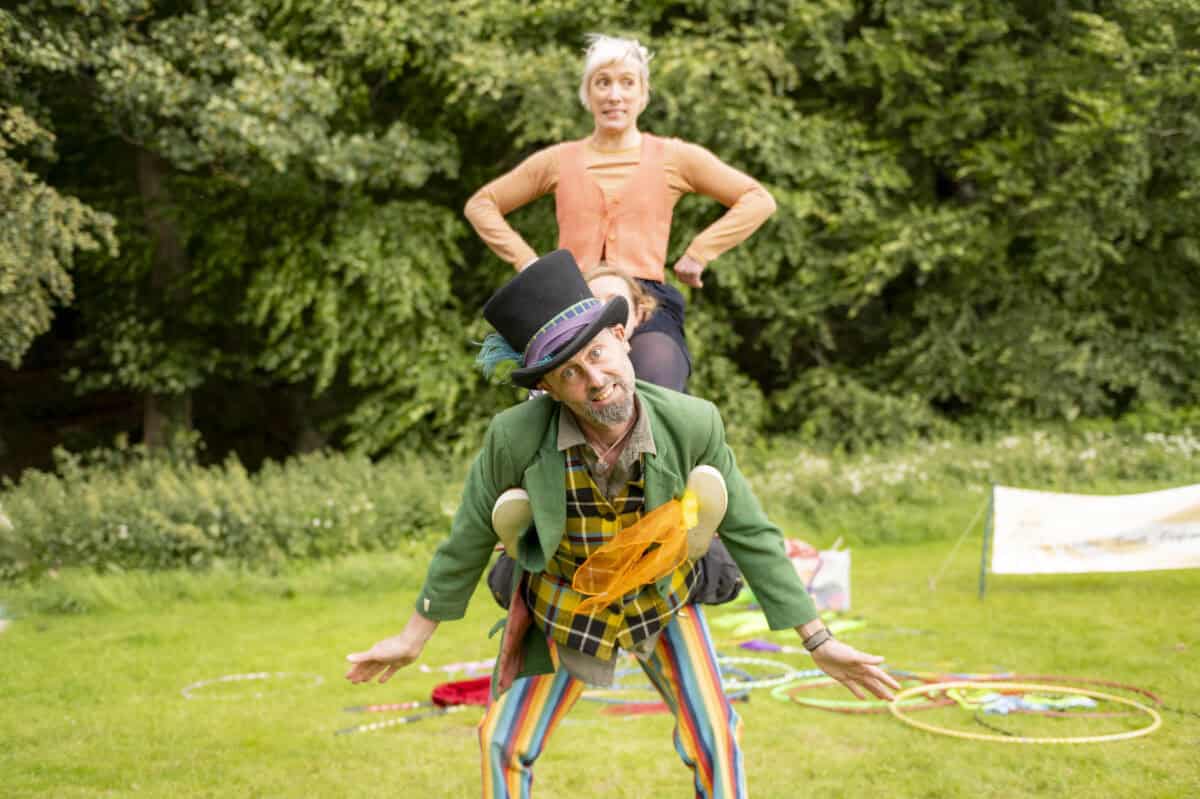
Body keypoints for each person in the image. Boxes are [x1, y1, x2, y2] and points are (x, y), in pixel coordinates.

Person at [345, 250, 898, 799]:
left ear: (621, 336)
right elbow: (466, 539)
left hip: (662, 596)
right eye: (571, 373)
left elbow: (751, 531)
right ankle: (528, 547)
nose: (596, 379)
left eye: (598, 354)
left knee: (715, 737)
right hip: (565, 606)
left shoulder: (691, 422)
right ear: (552, 389)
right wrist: (412, 639)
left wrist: (817, 639)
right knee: (501, 741)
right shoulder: (513, 437)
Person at [464, 33, 777, 393]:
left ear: (643, 94)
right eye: (603, 83)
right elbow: (481, 204)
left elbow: (757, 198)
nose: (615, 95)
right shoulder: (558, 160)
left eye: (627, 83)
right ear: (588, 94)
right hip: (573, 300)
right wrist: (528, 263)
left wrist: (700, 252)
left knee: (658, 385)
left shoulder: (674, 157)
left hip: (647, 301)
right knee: (563, 404)